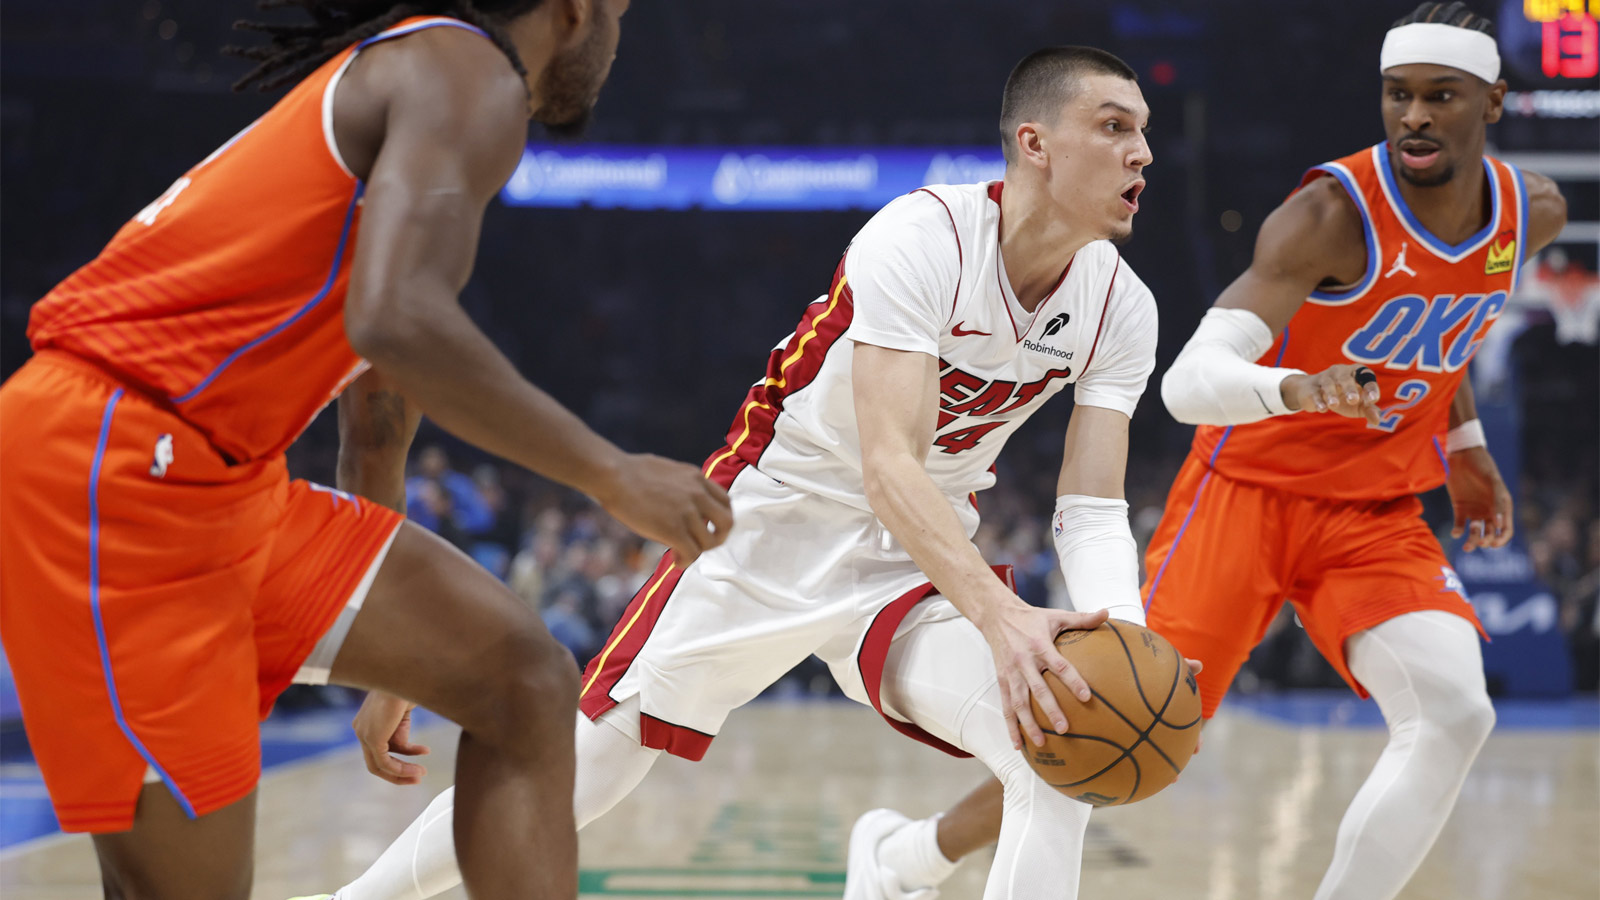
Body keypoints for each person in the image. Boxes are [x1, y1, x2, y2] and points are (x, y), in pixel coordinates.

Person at [324, 45, 1170, 900]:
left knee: (1062, 746)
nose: (1142, 152)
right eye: (1114, 127)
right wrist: (1002, 617)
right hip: (770, 521)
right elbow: (888, 466)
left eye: (1144, 133)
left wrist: (1130, 641)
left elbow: (1093, 506)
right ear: (1035, 143)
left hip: (917, 559)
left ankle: (895, 865)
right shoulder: (924, 237)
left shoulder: (1122, 307)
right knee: (584, 772)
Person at [0, 1, 733, 897]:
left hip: (227, 481)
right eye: (621, 10)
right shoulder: (467, 69)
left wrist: (388, 666)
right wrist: (609, 472)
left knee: (521, 679)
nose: (624, 31)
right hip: (117, 468)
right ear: (574, 11)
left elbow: (376, 414)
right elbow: (396, 322)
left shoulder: (433, 83)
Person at [841, 5, 1569, 900]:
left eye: (1440, 97)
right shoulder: (1327, 216)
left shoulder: (1531, 214)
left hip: (1373, 512)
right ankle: (909, 858)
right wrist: (1292, 389)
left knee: (1458, 712)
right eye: (1398, 96)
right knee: (1111, 724)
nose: (1415, 115)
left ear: (1492, 102)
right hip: (1247, 494)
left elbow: (1444, 325)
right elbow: (1191, 384)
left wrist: (1464, 439)